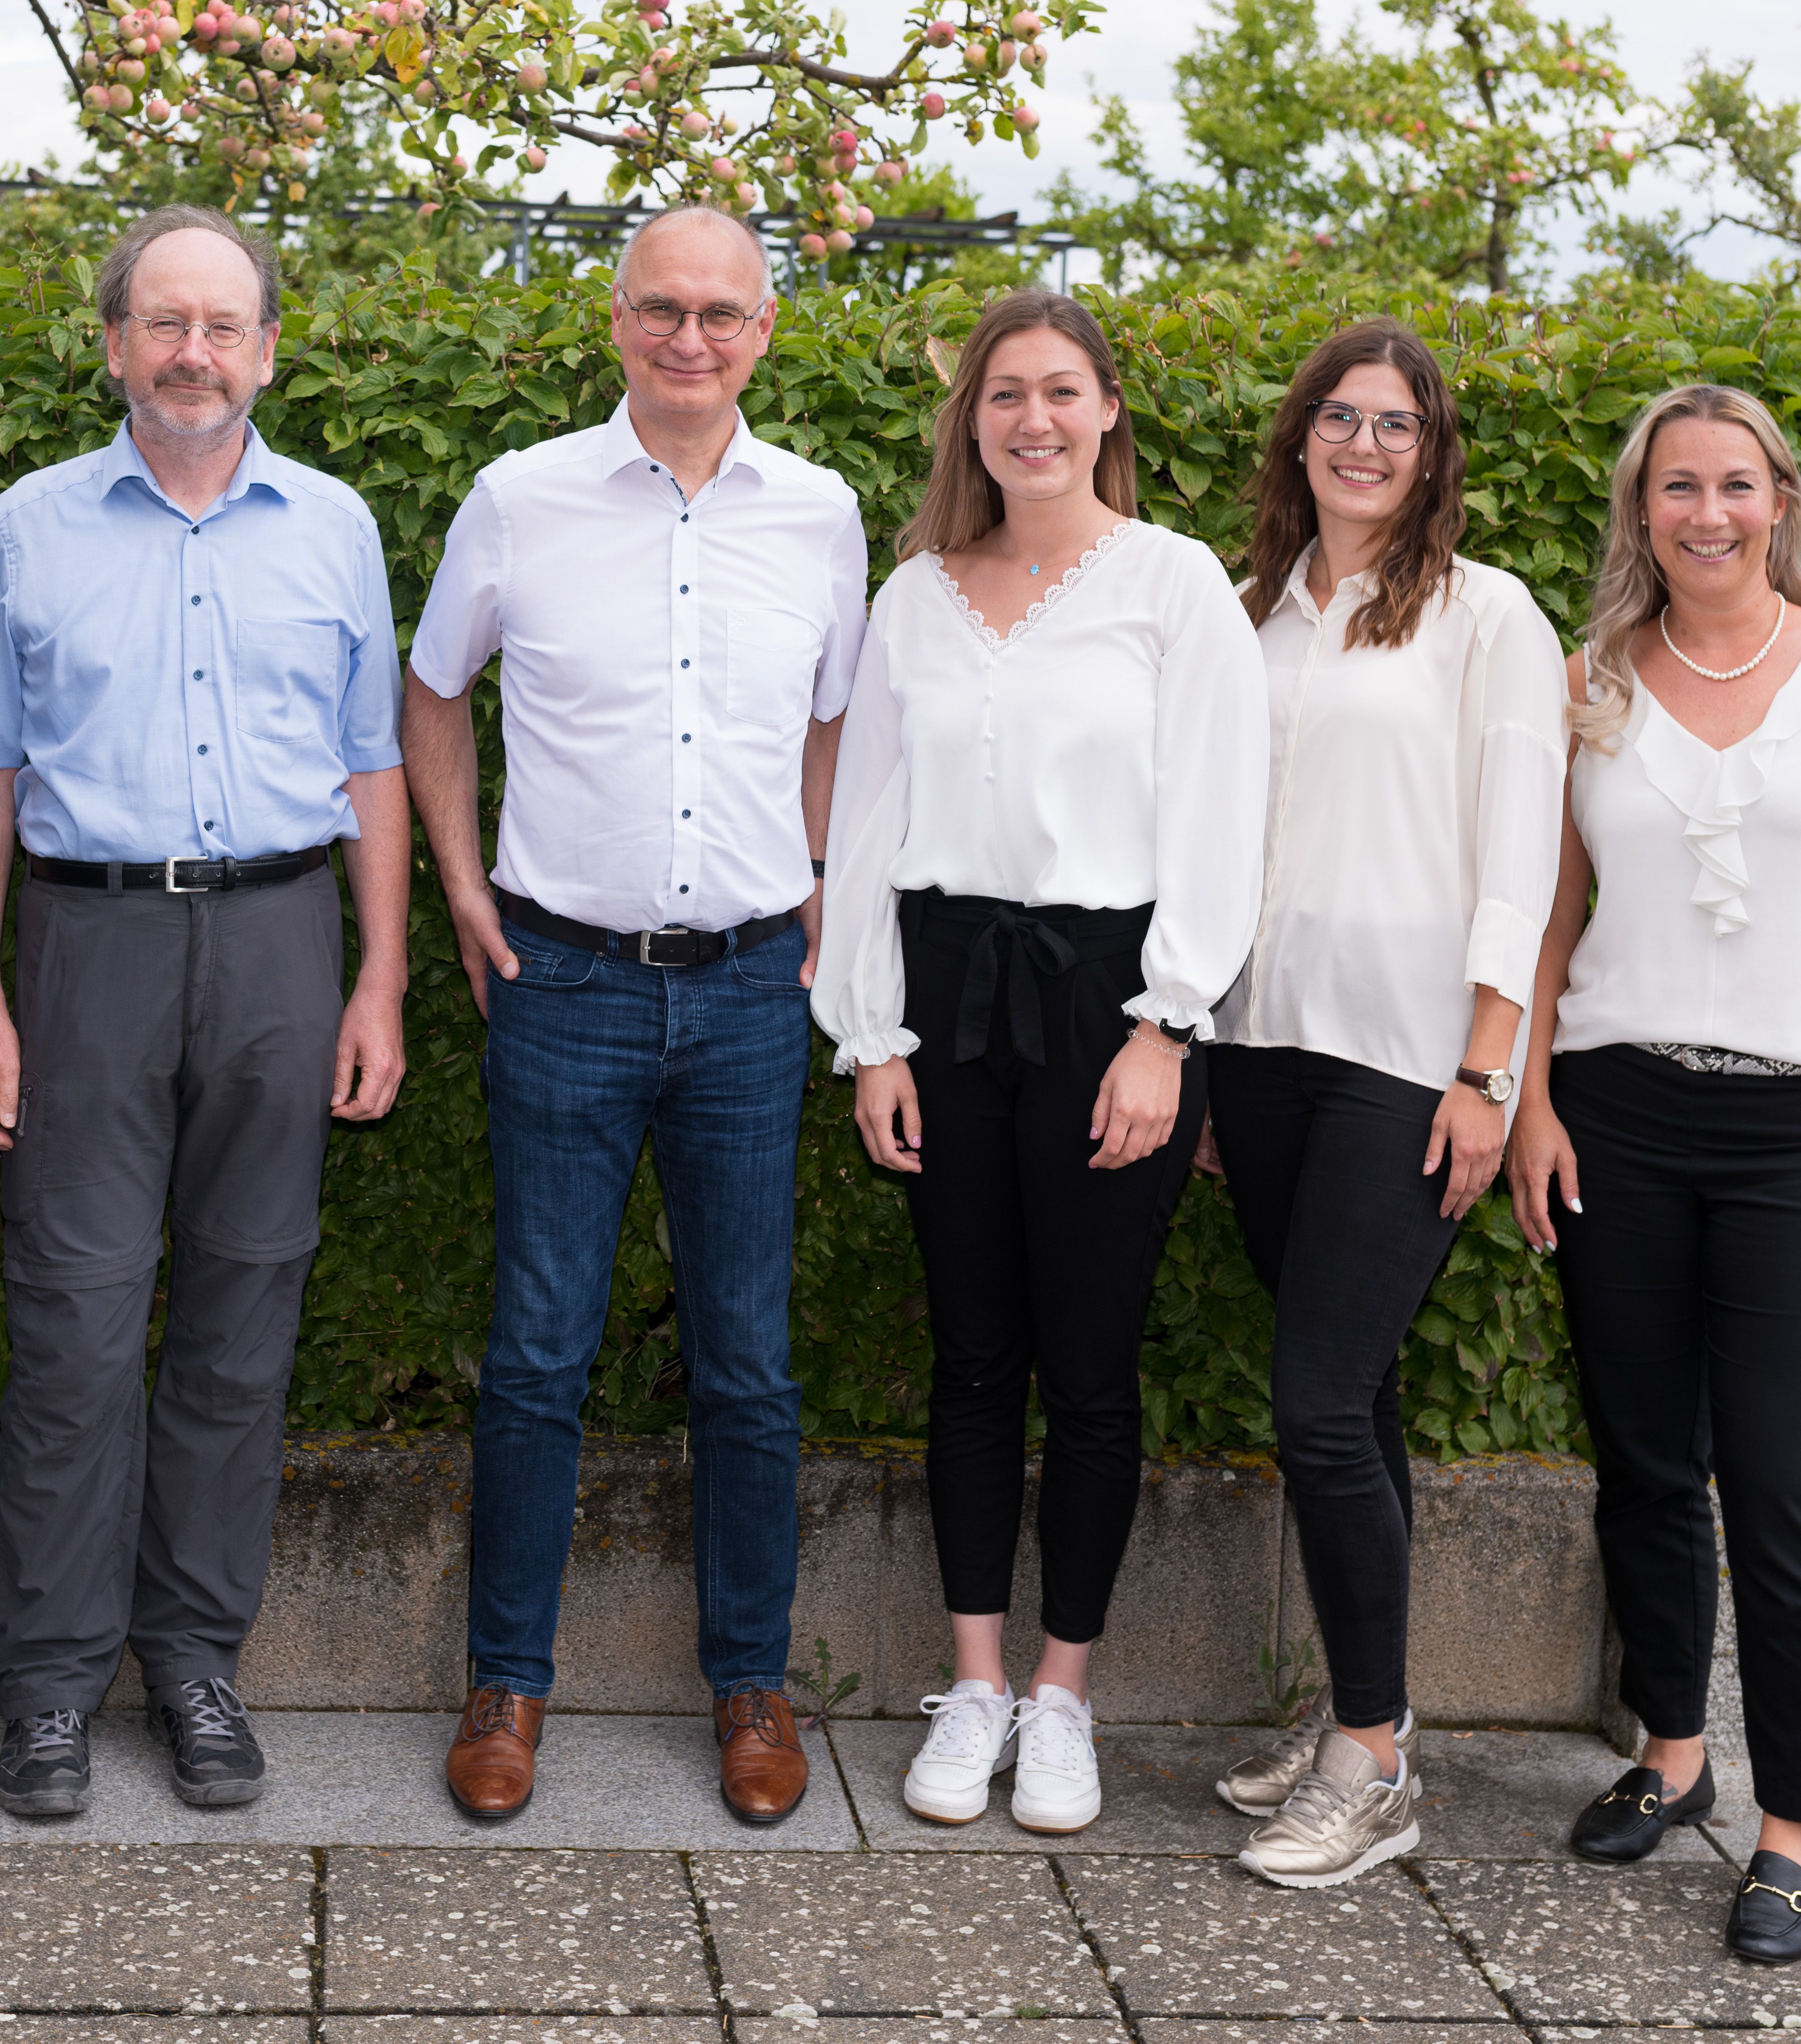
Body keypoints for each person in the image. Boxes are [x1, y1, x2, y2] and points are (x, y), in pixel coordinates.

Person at [0, 205, 409, 1818]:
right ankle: (50, 1687)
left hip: (281, 942)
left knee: (242, 1318)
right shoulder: (27, 528)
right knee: (71, 1324)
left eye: (223, 325)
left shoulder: (335, 526)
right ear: (115, 343)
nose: (192, 352)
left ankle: (196, 1664)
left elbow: (372, 768)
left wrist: (380, 979)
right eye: (162, 323)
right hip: (87, 950)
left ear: (269, 349)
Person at [403, 205, 869, 1827]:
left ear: (762, 328)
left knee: (747, 1366)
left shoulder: (820, 514)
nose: (690, 338)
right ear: (614, 321)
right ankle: (506, 1685)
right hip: (566, 982)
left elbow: (835, 721)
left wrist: (815, 885)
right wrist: (459, 888)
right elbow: (431, 690)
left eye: (721, 314)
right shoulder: (518, 500)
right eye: (662, 310)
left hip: (748, 989)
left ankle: (752, 1689)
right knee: (537, 1355)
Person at [1507, 385, 1801, 1963]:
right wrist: (1526, 1106)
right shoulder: (1589, 685)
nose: (1704, 514)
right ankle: (1670, 1754)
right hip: (1614, 1113)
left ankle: (1795, 1832)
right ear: (1639, 514)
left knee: (1781, 1484)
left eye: (1733, 486)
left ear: (1778, 501)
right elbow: (1546, 916)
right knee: (1642, 1459)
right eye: (1672, 490)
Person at [814, 289, 1266, 1837]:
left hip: (1107, 1003)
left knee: (1085, 1369)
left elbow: (1222, 810)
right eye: (1005, 394)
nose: (1033, 420)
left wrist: (1167, 1025)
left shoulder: (1171, 584)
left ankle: (1063, 1697)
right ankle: (977, 1686)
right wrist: (869, 1035)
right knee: (967, 1356)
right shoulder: (913, 595)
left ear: (1108, 412)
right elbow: (866, 821)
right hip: (944, 997)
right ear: (972, 422)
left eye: (1061, 391)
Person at [1198, 319, 1567, 1886]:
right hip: (1262, 1052)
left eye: (1396, 425)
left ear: (1432, 454)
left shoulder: (1490, 619)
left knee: (1316, 1404)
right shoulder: (1245, 613)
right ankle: (1377, 1715)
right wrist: (1206, 1046)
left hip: (1407, 1065)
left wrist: (1488, 1070)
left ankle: (1366, 1764)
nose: (1362, 444)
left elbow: (1521, 857)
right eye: (1338, 417)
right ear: (1298, 440)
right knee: (1359, 1402)